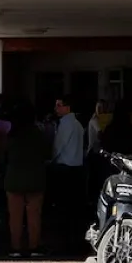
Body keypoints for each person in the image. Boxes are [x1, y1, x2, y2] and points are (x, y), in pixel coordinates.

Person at [4, 108, 48, 257]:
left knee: (15, 216)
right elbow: (47, 153)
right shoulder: (38, 135)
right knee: (34, 215)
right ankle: (34, 246)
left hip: (14, 179)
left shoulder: (11, 136)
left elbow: (3, 156)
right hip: (35, 178)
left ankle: (15, 246)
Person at [50, 97, 86, 254]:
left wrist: (51, 160)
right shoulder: (78, 124)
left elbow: (59, 146)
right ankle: (77, 242)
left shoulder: (65, 124)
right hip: (77, 168)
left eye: (59, 105)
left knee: (63, 208)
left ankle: (64, 244)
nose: (56, 108)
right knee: (76, 208)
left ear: (67, 107)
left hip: (65, 169)